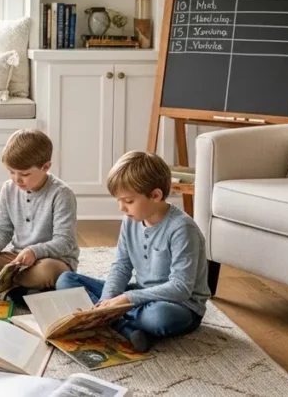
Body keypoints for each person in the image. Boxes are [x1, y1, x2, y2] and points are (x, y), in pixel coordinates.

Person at [55, 150, 210, 352]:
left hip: (180, 306)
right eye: (119, 200)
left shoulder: (182, 229)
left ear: (155, 195)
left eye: (128, 201)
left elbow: (181, 288)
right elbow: (121, 266)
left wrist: (127, 299)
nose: (122, 208)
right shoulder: (131, 220)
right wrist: (106, 304)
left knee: (159, 318)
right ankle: (124, 326)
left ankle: (120, 324)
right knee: (66, 280)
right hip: (140, 295)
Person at [0, 129, 78, 298]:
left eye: (24, 174)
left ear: (46, 167)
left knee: (46, 272)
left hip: (53, 260)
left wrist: (34, 252)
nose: (17, 180)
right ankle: (17, 289)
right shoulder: (8, 188)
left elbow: (65, 241)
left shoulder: (62, 194)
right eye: (11, 172)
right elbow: (2, 228)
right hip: (17, 259)